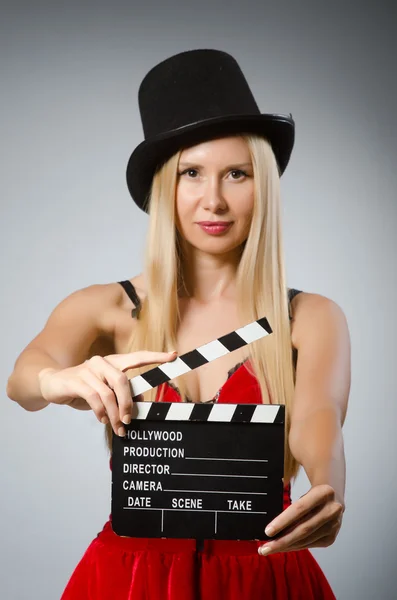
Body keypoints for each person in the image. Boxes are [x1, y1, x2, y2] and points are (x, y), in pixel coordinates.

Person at [6, 49, 350, 600]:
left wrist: (328, 488)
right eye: (192, 173)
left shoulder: (309, 317)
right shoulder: (108, 308)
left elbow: (318, 417)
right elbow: (23, 380)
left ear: (262, 184)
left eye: (236, 174)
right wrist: (60, 380)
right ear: (165, 187)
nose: (213, 200)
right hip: (130, 576)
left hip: (262, 570)